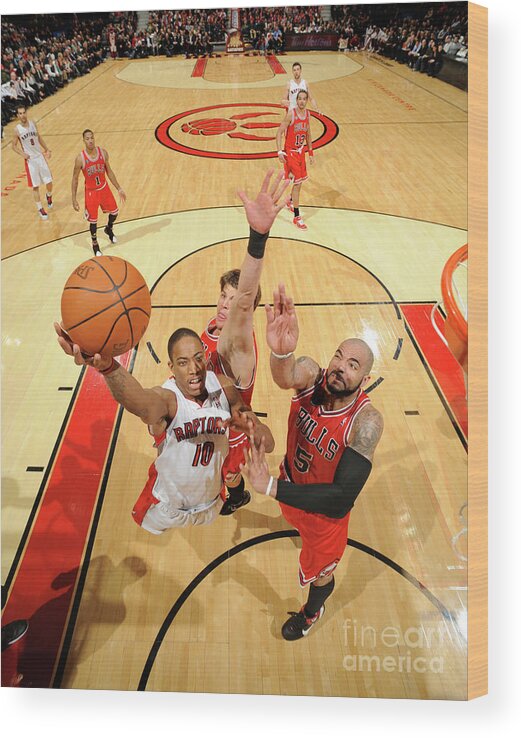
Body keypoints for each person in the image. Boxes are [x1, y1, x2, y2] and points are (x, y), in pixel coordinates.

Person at [241, 284, 384, 640]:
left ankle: (310, 612)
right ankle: (294, 523)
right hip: (292, 489)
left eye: (353, 366)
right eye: (339, 357)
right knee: (293, 521)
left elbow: (339, 500)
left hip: (322, 516)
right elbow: (285, 375)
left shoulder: (366, 422)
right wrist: (279, 352)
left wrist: (273, 489)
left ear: (364, 380)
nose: (340, 368)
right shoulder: (313, 374)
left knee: (321, 572)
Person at [54, 324, 274, 534]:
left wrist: (252, 429)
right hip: (167, 506)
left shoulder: (224, 387)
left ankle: (234, 496)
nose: (194, 369)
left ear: (205, 357)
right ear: (171, 367)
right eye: (183, 362)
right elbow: (139, 402)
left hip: (211, 502)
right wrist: (108, 368)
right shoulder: (168, 399)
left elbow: (270, 443)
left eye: (198, 358)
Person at [171, 170, 289, 515]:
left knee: (228, 471)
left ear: (247, 308)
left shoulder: (237, 342)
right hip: (208, 416)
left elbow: (245, 297)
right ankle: (234, 492)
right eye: (223, 296)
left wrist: (258, 238)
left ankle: (237, 496)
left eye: (234, 300)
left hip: (230, 424)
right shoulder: (213, 325)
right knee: (220, 470)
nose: (226, 303)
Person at [71, 129, 126, 256]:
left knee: (115, 212)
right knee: (93, 221)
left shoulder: (103, 153)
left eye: (92, 138)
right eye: (87, 139)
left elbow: (109, 172)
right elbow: (74, 179)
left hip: (104, 188)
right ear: (83, 141)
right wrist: (74, 199)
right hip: (91, 193)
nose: (90, 141)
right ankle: (95, 244)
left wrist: (119, 188)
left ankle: (109, 229)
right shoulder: (80, 159)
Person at [276, 90, 314, 231]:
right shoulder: (291, 114)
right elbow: (279, 132)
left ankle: (291, 201)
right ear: (296, 100)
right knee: (297, 184)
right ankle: (297, 217)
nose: (302, 101)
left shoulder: (308, 114)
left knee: (300, 182)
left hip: (301, 152)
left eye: (305, 99)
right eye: (300, 99)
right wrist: (280, 151)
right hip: (290, 152)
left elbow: (308, 134)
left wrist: (310, 152)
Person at [11, 104, 53, 220]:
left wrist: (47, 149)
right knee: (35, 186)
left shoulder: (33, 123)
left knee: (49, 182)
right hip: (30, 161)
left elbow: (38, 137)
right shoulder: (17, 130)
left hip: (40, 156)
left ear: (26, 113)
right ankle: (40, 208)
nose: (22, 115)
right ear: (17, 115)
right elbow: (13, 146)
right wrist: (22, 153)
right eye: (20, 113)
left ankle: (48, 195)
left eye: (24, 112)